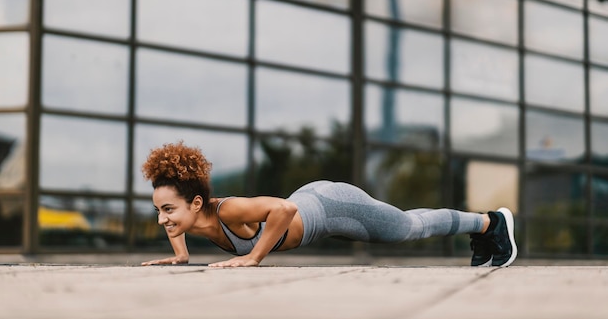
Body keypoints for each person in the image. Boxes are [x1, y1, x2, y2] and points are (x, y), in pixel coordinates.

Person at [141, 141, 517, 268]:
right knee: (405, 226)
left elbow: (284, 211)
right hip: (317, 208)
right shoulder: (189, 218)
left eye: (169, 210)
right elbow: (178, 224)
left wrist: (252, 258)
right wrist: (180, 256)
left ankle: (490, 224)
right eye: (159, 209)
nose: (163, 220)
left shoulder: (228, 210)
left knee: (406, 228)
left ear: (195, 202)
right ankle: (485, 231)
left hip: (333, 206)